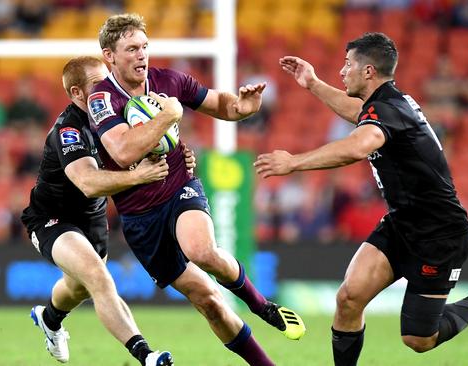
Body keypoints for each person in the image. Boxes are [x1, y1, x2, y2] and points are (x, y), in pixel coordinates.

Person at [255, 32, 468, 365]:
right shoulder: (388, 103)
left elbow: (358, 145)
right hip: (401, 224)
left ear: (368, 72)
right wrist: (313, 83)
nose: (342, 70)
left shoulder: (389, 109)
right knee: (349, 298)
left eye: (348, 64)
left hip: (438, 234)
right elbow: (357, 112)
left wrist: (294, 162)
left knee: (418, 339)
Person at [87, 13, 305, 366]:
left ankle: (261, 305)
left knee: (201, 250)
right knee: (209, 301)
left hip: (179, 189)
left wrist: (242, 107)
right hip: (141, 218)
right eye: (131, 49)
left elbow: (221, 103)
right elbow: (122, 150)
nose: (141, 55)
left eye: (144, 47)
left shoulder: (168, 80)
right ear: (109, 56)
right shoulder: (102, 99)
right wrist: (167, 118)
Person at [21, 56, 192, 366]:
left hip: (93, 218)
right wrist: (137, 176)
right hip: (52, 218)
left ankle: (49, 318)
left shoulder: (119, 115)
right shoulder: (69, 130)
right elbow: (87, 182)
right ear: (76, 93)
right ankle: (146, 355)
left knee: (77, 287)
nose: (107, 89)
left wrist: (180, 161)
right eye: (98, 85)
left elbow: (149, 149)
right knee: (98, 277)